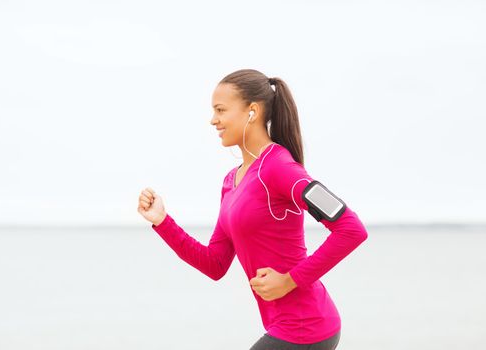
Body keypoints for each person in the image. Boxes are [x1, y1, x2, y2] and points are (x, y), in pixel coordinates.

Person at [137, 69, 368, 350]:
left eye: (221, 110)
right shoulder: (231, 183)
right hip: (284, 328)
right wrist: (162, 221)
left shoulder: (281, 169)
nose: (213, 120)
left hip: (306, 327)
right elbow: (215, 264)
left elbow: (351, 229)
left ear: (252, 111)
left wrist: (290, 280)